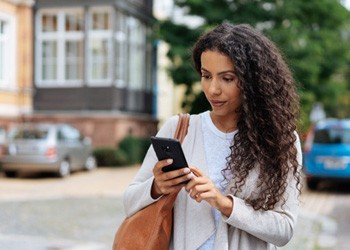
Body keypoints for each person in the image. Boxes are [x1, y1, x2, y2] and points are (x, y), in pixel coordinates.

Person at [123, 22, 302, 250]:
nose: (212, 89)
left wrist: (224, 204)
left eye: (227, 78)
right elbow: (129, 202)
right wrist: (157, 187)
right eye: (206, 76)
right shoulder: (180, 129)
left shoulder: (280, 141)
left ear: (253, 82)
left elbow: (284, 229)